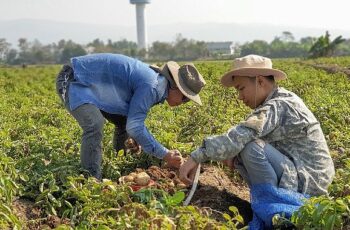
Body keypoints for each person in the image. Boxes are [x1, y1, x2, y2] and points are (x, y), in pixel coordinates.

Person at [179, 54, 335, 228]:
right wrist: (233, 155)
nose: (239, 96)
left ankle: (275, 215)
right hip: (303, 177)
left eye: (241, 88)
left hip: (307, 184)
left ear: (260, 81)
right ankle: (269, 208)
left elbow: (239, 136)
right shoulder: (280, 100)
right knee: (243, 148)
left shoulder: (279, 105)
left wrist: (196, 157)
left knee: (251, 147)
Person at [56, 53, 206, 180]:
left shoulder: (158, 85)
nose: (184, 102)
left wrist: (136, 138)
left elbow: (132, 119)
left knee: (124, 121)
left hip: (94, 87)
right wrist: (165, 154)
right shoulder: (153, 86)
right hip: (74, 79)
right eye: (185, 97)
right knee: (94, 124)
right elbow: (135, 126)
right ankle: (91, 180)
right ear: (175, 87)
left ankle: (119, 165)